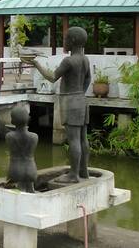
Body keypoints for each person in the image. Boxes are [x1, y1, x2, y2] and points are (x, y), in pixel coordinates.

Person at [24, 26, 91, 183]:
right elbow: (87, 79)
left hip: (70, 101)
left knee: (73, 139)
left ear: (73, 41)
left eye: (66, 39)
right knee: (83, 138)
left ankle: (73, 175)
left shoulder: (69, 60)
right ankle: (84, 171)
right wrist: (80, 92)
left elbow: (52, 77)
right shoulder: (85, 59)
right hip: (81, 99)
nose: (64, 42)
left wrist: (36, 64)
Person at [5, 106, 38, 193]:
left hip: (15, 171)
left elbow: (16, 134)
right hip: (31, 170)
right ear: (28, 119)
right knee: (30, 191)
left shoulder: (9, 136)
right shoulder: (34, 137)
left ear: (12, 121)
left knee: (20, 193)